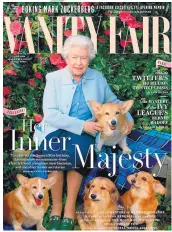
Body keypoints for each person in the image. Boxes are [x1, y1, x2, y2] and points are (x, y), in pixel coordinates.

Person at [33, 35, 134, 230]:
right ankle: (56, 208)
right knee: (55, 152)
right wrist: (81, 125)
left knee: (78, 152)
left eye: (84, 58)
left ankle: (69, 210)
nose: (79, 62)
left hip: (85, 133)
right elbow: (51, 114)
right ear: (66, 58)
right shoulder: (53, 78)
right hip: (55, 129)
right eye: (74, 57)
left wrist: (128, 119)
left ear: (89, 58)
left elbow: (113, 99)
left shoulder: (96, 77)